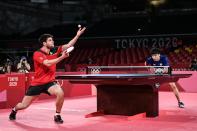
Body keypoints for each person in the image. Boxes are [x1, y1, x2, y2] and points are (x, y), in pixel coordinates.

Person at [9, 27, 86, 124]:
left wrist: (78, 35)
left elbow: (69, 45)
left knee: (60, 93)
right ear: (44, 43)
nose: (53, 41)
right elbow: (48, 63)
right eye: (50, 40)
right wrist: (62, 57)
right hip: (37, 83)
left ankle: (57, 115)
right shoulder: (37, 54)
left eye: (52, 39)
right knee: (24, 105)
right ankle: (14, 110)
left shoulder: (54, 50)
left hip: (50, 82)